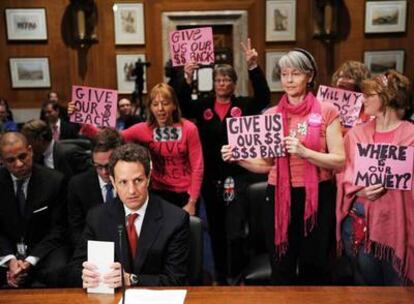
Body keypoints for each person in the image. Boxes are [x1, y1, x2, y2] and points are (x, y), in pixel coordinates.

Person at [222, 48, 345, 284]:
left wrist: (305, 152)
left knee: (315, 266)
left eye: (295, 74)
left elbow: (340, 160)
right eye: (284, 74)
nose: (288, 80)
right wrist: (238, 158)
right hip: (278, 196)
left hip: (318, 195)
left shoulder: (327, 110)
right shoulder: (271, 114)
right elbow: (265, 165)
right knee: (281, 265)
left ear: (309, 76)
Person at [174, 38, 271, 281]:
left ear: (234, 83)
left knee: (235, 231)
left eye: (227, 79)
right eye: (218, 79)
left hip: (238, 178)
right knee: (215, 230)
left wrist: (253, 67)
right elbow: (181, 103)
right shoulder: (204, 106)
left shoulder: (243, 105)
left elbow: (264, 97)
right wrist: (186, 77)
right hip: (210, 179)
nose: (222, 83)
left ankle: (237, 274)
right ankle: (219, 274)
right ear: (213, 83)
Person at [67, 143, 190, 287]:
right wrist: (84, 276)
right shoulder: (97, 217)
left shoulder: (176, 219)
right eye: (123, 182)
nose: (132, 191)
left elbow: (176, 280)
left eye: (138, 180)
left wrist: (130, 279)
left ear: (148, 178)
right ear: (113, 182)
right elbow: (74, 270)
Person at [72, 83, 204, 216]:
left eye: (165, 103)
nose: (160, 109)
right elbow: (110, 139)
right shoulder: (143, 129)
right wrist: (81, 120)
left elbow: (197, 167)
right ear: (150, 108)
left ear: (174, 105)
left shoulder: (189, 129)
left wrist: (192, 201)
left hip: (185, 193)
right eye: (155, 104)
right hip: (157, 192)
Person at [336, 70, 414, 285]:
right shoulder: (355, 134)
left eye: (369, 95)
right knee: (364, 289)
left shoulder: (412, 135)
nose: (363, 99)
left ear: (386, 97)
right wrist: (358, 189)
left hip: (399, 225)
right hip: (360, 227)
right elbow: (343, 171)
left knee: (398, 290)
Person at [0, 132, 68, 288]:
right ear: (2, 161)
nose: (18, 164)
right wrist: (9, 259)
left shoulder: (55, 181)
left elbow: (59, 229)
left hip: (43, 250)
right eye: (10, 160)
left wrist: (30, 260)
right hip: (7, 250)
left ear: (30, 150)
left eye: (22, 156)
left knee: (58, 270)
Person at [67, 128, 123, 247]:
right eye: (98, 166)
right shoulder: (78, 185)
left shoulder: (132, 182)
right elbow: (76, 230)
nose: (104, 172)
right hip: (93, 248)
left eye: (109, 166)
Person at [21, 119, 91, 180]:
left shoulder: (70, 153)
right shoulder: (36, 157)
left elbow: (90, 178)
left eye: (28, 140)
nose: (26, 145)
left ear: (40, 139)